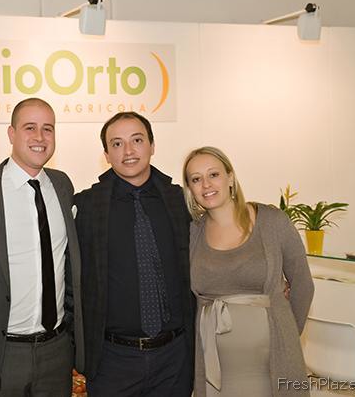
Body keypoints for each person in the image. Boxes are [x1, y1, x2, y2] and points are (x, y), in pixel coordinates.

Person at [75, 112, 194, 396]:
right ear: (106, 154)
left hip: (174, 358)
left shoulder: (181, 201)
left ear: (152, 145)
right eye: (117, 144)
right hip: (112, 361)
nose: (128, 151)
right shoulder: (86, 206)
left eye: (137, 140)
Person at [182, 146, 314, 396]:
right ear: (190, 189)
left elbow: (303, 284)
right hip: (216, 369)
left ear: (230, 177)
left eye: (214, 174)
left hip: (272, 364)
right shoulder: (191, 233)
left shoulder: (272, 221)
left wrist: (285, 336)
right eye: (196, 179)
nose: (206, 185)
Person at [0, 97, 84, 396]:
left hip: (57, 350)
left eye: (48, 129)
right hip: (4, 352)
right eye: (30, 128)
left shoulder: (62, 185)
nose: (40, 137)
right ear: (11, 134)